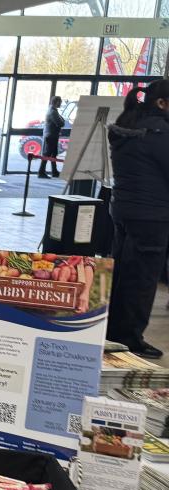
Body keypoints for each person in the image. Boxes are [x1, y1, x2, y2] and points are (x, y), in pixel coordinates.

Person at [106, 80, 169, 359]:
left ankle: (111, 331)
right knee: (141, 281)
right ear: (162, 103)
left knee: (120, 275)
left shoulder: (129, 127)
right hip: (152, 217)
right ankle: (130, 339)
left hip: (124, 211)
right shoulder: (161, 134)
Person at [38, 96, 64, 178]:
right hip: (51, 136)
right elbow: (61, 123)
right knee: (47, 154)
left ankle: (54, 171)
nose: (61, 104)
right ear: (56, 102)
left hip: (51, 135)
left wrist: (61, 120)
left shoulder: (53, 110)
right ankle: (41, 172)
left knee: (53, 154)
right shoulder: (53, 112)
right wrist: (62, 120)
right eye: (60, 102)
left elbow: (61, 121)